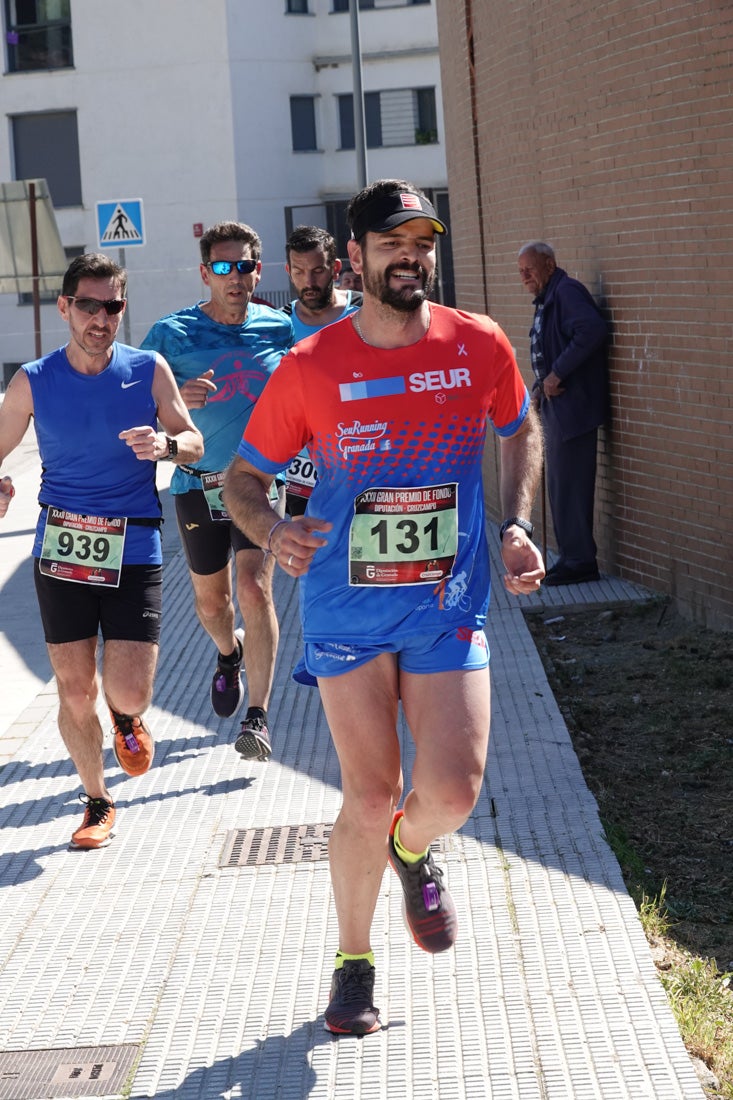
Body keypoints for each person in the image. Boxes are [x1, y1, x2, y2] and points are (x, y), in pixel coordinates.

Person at [223, 179, 545, 1035]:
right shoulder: (310, 366)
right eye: (393, 243)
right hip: (345, 607)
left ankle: (414, 848)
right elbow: (242, 480)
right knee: (370, 796)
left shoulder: (475, 343)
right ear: (353, 257)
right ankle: (354, 962)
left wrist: (514, 523)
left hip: (446, 601)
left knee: (452, 790)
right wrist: (273, 527)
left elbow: (519, 426)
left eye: (423, 242)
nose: (412, 256)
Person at [0, 253, 203, 850]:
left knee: (130, 690)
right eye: (87, 305)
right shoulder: (33, 379)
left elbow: (191, 441)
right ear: (64, 307)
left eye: (111, 306)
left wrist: (165, 444)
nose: (101, 317)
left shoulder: (149, 369)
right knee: (72, 688)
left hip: (133, 544)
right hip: (61, 545)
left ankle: (126, 717)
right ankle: (96, 798)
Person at [140, 222, 293, 763]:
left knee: (255, 589)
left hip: (256, 486)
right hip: (196, 485)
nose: (236, 277)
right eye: (223, 267)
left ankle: (259, 715)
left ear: (259, 270)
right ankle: (229, 654)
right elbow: (135, 402)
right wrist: (176, 397)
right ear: (206, 273)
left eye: (245, 265)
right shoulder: (170, 334)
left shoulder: (282, 328)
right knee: (214, 602)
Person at [517, 241, 609, 585]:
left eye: (530, 268)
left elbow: (592, 330)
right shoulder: (548, 297)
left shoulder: (567, 292)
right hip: (558, 405)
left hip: (574, 407)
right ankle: (572, 557)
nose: (524, 276)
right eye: (520, 271)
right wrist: (542, 385)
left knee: (569, 485)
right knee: (559, 483)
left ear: (550, 264)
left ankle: (581, 562)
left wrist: (557, 375)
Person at [282, 225, 362, 515]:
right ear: (288, 271)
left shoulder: (365, 312)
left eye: (317, 270)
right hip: (301, 464)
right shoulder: (279, 325)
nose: (309, 281)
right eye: (300, 272)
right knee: (302, 552)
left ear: (336, 268)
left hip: (360, 456)